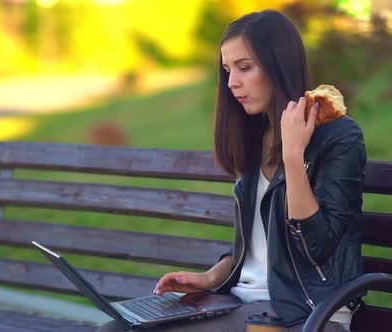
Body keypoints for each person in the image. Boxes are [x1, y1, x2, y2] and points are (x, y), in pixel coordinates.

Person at [98, 9, 366, 332]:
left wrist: (294, 157)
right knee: (114, 328)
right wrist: (209, 278)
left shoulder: (338, 137)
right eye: (227, 70)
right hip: (246, 307)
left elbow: (316, 249)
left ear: (279, 66)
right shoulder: (257, 137)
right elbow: (255, 251)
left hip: (309, 313)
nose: (231, 83)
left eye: (244, 67)